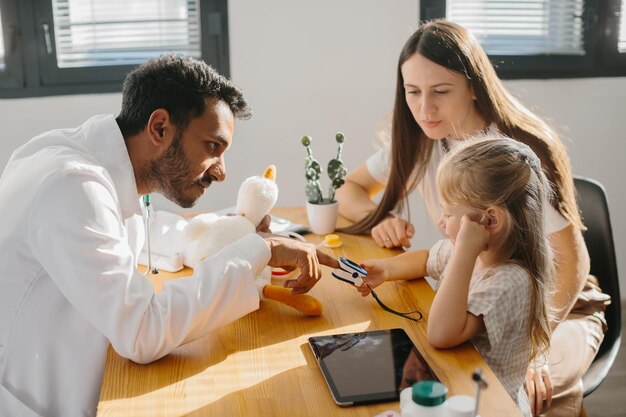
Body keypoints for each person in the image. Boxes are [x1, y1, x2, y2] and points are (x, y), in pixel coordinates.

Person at [0, 54, 338, 417]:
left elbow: (144, 231)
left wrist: (235, 235)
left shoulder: (76, 157)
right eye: (213, 146)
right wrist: (262, 250)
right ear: (160, 127)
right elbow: (142, 332)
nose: (221, 172)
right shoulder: (72, 185)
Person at [335, 19, 608, 417]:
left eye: (441, 92)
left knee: (524, 395)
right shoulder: (422, 138)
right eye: (413, 92)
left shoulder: (516, 155)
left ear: (474, 87)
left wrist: (536, 346)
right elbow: (350, 190)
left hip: (558, 308)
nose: (425, 109)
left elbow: (573, 260)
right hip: (487, 291)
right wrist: (382, 221)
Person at [357, 137, 554, 416]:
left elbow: (441, 334)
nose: (440, 222)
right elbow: (427, 260)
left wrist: (464, 251)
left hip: (487, 404)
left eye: (448, 214)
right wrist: (387, 269)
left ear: (489, 221)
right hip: (453, 381)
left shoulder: (509, 280)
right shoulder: (471, 252)